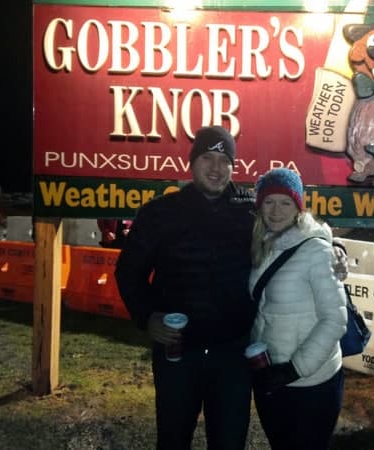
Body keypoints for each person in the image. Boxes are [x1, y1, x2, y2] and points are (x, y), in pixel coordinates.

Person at [114, 126, 349, 449]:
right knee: (172, 439)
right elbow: (128, 272)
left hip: (234, 356)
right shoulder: (159, 213)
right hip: (179, 353)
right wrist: (147, 317)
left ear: (233, 167)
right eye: (207, 158)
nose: (216, 168)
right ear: (191, 162)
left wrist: (334, 245)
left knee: (229, 442)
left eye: (224, 160)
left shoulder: (249, 209)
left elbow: (297, 225)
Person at [248, 168, 348, 450]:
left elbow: (335, 320)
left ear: (298, 206)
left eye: (285, 202)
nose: (276, 211)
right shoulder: (262, 244)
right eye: (269, 202)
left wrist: (294, 370)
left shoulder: (316, 251)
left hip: (312, 384)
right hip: (270, 377)